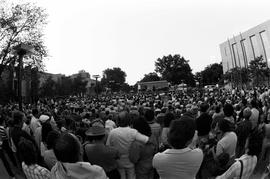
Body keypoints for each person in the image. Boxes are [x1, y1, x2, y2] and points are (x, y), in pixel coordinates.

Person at [106, 111, 149, 179]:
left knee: (121, 176)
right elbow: (146, 140)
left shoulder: (112, 132)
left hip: (118, 161)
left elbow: (108, 146)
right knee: (131, 176)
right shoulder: (133, 132)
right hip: (130, 160)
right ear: (129, 120)